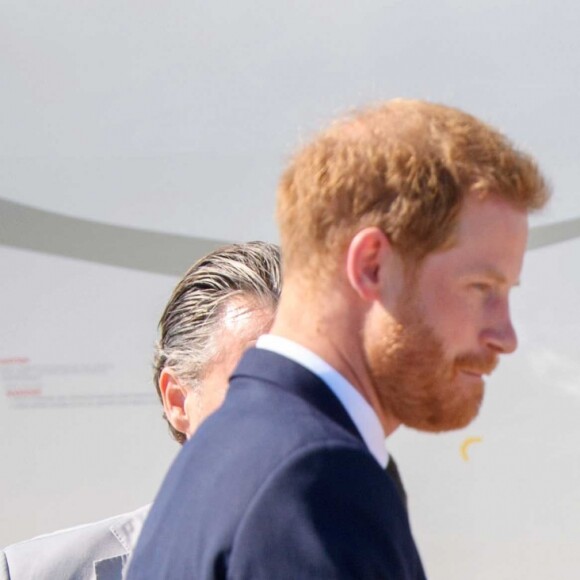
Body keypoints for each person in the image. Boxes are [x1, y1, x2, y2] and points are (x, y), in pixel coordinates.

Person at [127, 99, 550, 580]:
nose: (506, 336)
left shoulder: (233, 449)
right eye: (481, 288)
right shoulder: (311, 480)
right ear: (371, 266)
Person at [0, 242, 281, 580]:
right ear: (178, 401)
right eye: (260, 385)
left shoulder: (358, 557)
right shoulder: (35, 574)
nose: (300, 414)